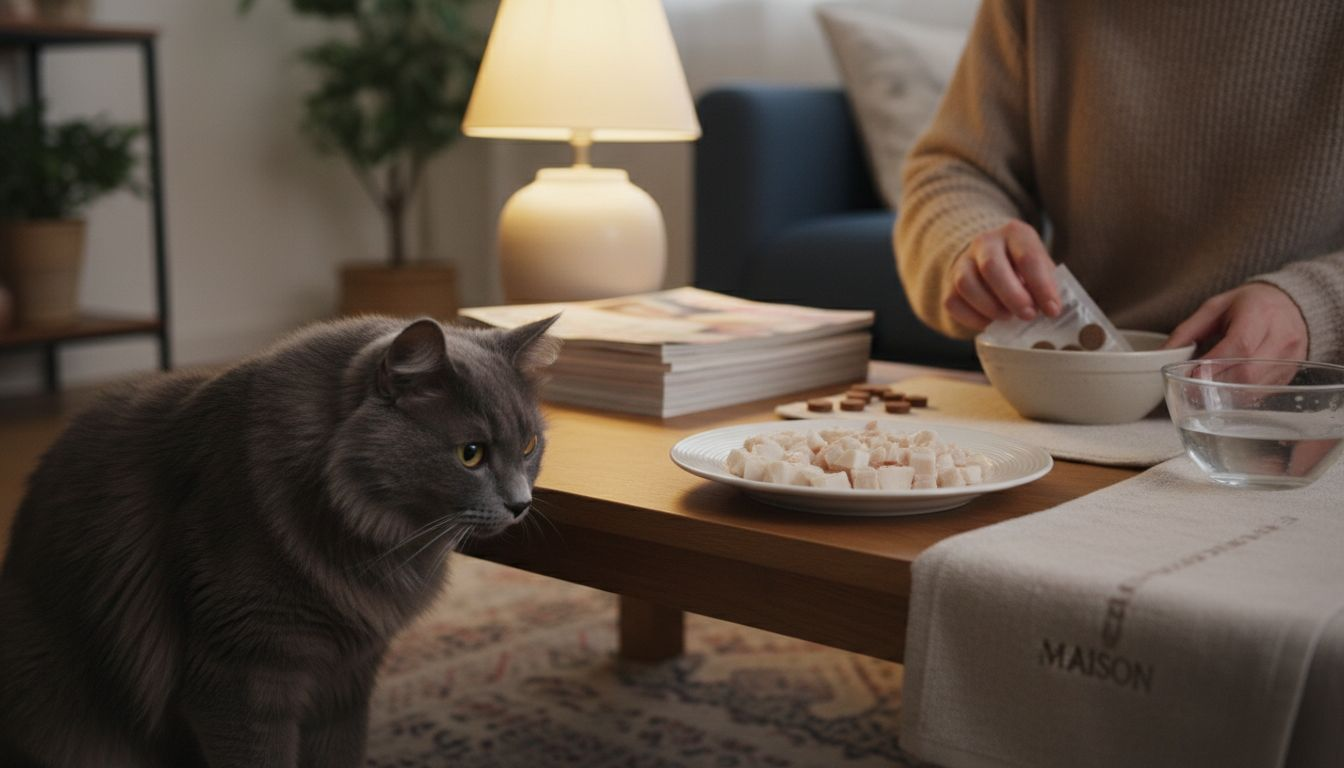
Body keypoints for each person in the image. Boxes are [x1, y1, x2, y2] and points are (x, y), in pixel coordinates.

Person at [895, 1, 1344, 364]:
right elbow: (953, 171)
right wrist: (967, 243)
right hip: (1077, 399)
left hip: (1305, 412)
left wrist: (1318, 304)